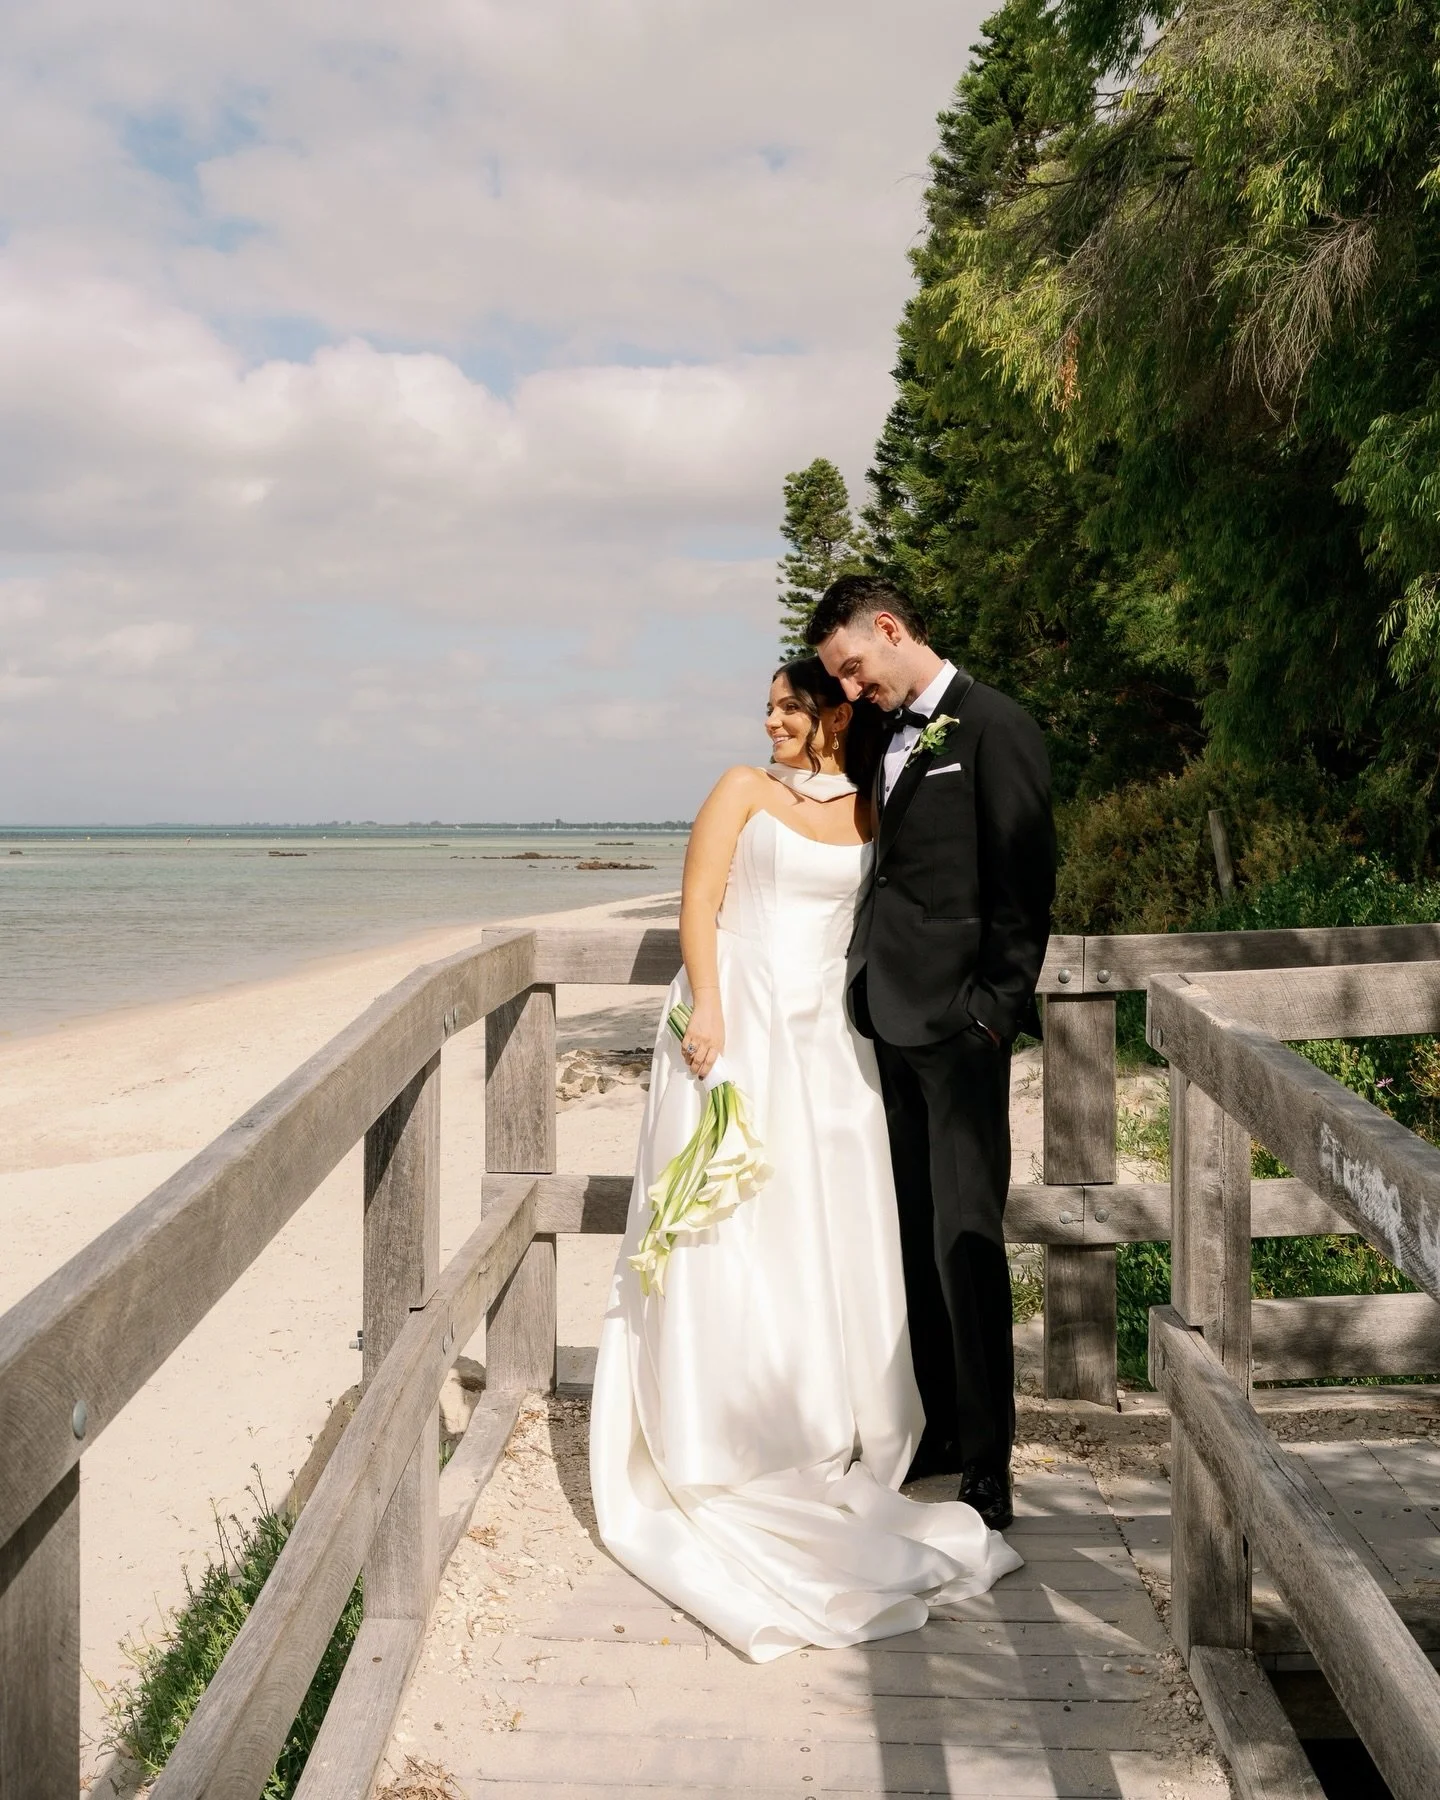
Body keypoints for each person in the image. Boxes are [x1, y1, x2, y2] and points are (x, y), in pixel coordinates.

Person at [589, 656, 1021, 1661]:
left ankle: (830, 1417)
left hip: (831, 1044)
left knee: (832, 1224)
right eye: (768, 706)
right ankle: (722, 1430)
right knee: (734, 1228)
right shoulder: (742, 790)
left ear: (832, 712)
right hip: (737, 1029)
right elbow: (697, 907)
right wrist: (707, 1011)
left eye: (790, 705)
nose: (772, 720)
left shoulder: (876, 806)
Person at [807, 575, 1055, 1530]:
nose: (852, 689)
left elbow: (1023, 890)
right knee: (908, 1235)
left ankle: (990, 1463)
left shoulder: (996, 727)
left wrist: (991, 1015)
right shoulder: (876, 732)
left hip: (958, 1033)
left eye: (855, 668)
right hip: (884, 1023)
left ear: (890, 627)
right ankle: (942, 1429)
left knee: (968, 1241)